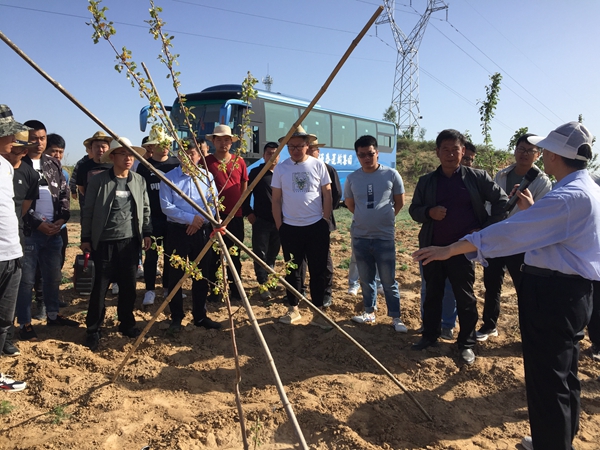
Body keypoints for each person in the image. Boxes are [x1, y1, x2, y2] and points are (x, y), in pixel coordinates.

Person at [413, 121, 599, 450]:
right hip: (575, 292)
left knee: (547, 380)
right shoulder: (587, 188)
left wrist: (450, 248)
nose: (541, 156)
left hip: (555, 296)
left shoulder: (568, 196)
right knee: (565, 374)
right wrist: (532, 211)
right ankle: (557, 439)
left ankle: (551, 444)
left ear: (556, 155)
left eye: (545, 150)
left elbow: (507, 234)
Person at [409, 129, 507, 365]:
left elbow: (502, 201)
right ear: (437, 152)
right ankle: (430, 336)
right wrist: (428, 212)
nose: (451, 154)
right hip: (432, 248)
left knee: (465, 298)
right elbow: (414, 210)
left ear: (463, 152)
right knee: (432, 295)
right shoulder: (427, 181)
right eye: (446, 149)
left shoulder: (477, 177)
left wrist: (483, 230)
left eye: (456, 149)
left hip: (462, 249)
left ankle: (466, 344)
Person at [477, 134, 552, 341]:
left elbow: (543, 213)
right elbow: (489, 203)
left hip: (522, 242)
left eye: (530, 151)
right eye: (521, 149)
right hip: (498, 238)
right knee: (492, 284)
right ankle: (489, 326)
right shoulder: (502, 175)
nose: (524, 154)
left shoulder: (542, 182)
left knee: (525, 289)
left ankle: (529, 333)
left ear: (538, 155)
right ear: (515, 150)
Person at [81, 138, 151, 351]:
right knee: (100, 288)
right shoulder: (98, 181)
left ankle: (126, 323)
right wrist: (85, 238)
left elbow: (145, 208)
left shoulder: (138, 180)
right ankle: (93, 329)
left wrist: (146, 232)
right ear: (112, 157)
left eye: (131, 154)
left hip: (130, 243)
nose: (128, 158)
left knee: (129, 287)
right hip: (104, 242)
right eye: (123, 154)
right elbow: (89, 211)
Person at [16, 120, 75, 342]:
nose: (39, 143)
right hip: (30, 232)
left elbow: (63, 195)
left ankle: (52, 314)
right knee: (27, 280)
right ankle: (25, 322)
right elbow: (19, 202)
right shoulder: (19, 165)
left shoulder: (54, 164)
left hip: (54, 231)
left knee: (53, 277)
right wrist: (38, 224)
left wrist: (60, 220)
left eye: (42, 138)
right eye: (34, 139)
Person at [344, 135, 407, 332]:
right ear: (357, 156)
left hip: (384, 237)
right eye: (362, 155)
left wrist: (384, 218)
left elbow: (400, 202)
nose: (366, 158)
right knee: (366, 279)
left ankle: (396, 317)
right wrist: (366, 217)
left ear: (377, 153)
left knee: (388, 280)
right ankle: (369, 312)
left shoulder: (391, 174)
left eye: (370, 154)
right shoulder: (352, 178)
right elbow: (350, 204)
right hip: (361, 237)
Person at [271, 126, 332, 328]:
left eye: (299, 146)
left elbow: (327, 194)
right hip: (290, 227)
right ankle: (293, 308)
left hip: (316, 226)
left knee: (318, 270)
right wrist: (280, 225)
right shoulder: (281, 168)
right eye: (291, 146)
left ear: (307, 146)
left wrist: (325, 220)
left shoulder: (318, 165)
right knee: (292, 269)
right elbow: (277, 200)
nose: (295, 150)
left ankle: (318, 311)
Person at [160, 139, 221, 333]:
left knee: (201, 274)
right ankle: (176, 316)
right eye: (184, 154)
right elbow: (166, 206)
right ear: (179, 156)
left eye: (192, 154)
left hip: (201, 231)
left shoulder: (207, 177)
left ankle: (200, 315)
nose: (189, 158)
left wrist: (199, 221)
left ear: (199, 156)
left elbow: (213, 202)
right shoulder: (169, 178)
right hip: (178, 231)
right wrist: (189, 219)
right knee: (175, 275)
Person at [1, 131, 39, 357]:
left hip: (13, 244)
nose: (21, 148)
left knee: (6, 310)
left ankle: (6, 342)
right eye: (16, 143)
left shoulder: (18, 172)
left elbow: (22, 207)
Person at [0, 105, 28, 391]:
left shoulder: (6, 167)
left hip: (11, 252)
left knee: (4, 317)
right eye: (8, 134)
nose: (13, 138)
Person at [203, 125, 248, 301]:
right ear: (213, 141)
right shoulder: (206, 162)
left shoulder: (239, 161)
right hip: (213, 217)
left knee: (234, 254)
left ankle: (236, 289)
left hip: (234, 216)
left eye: (227, 140)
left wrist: (240, 204)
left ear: (231, 142)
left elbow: (244, 183)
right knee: (213, 255)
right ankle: (215, 290)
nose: (223, 143)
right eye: (219, 140)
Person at [136, 129, 179, 306]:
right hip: (152, 219)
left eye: (168, 143)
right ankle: (150, 290)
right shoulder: (144, 166)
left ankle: (168, 288)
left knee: (171, 256)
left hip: (172, 218)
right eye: (161, 144)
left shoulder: (175, 164)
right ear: (152, 146)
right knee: (151, 256)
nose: (166, 147)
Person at [305, 135, 341, 308]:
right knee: (302, 258)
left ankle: (326, 292)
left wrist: (324, 214)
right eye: (308, 149)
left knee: (323, 259)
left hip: (321, 221)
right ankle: (301, 290)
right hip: (302, 222)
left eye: (314, 149)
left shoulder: (328, 169)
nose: (311, 152)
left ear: (318, 151)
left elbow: (336, 195)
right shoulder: (299, 169)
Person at [242, 142, 281, 300]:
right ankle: (263, 283)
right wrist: (248, 212)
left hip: (279, 221)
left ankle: (270, 278)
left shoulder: (282, 172)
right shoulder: (256, 172)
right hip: (261, 220)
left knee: (273, 253)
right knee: (260, 253)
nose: (271, 156)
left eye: (274, 153)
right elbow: (246, 193)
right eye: (268, 153)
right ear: (264, 155)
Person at [44, 133, 70, 271]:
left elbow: (64, 197)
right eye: (53, 151)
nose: (57, 155)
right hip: (40, 224)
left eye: (60, 152)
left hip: (60, 226)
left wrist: (62, 219)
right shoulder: (37, 170)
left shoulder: (64, 174)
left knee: (58, 259)